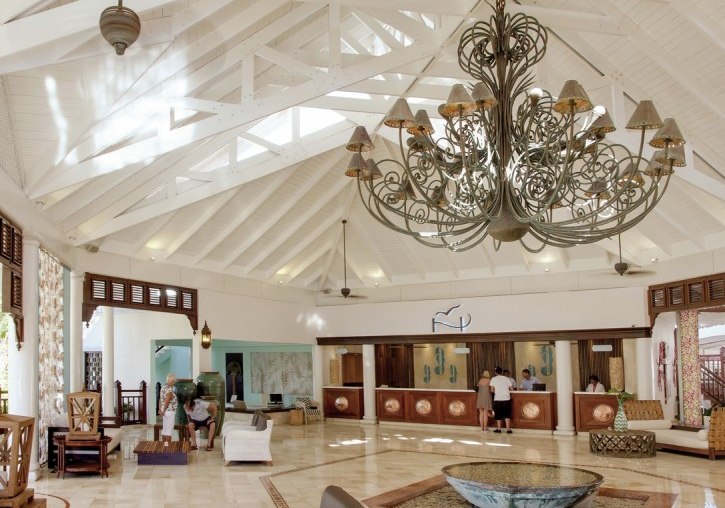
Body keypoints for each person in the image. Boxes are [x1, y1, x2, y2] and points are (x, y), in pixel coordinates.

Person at [489, 366, 512, 434]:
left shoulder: (493, 379)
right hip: (506, 399)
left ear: (495, 372)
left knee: (498, 414)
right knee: (507, 414)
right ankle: (508, 429)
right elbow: (511, 389)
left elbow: (492, 390)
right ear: (502, 372)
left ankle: (499, 429)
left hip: (497, 399)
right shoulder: (507, 378)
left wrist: (497, 390)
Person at [158, 373, 177, 445]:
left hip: (165, 411)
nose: (174, 383)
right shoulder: (169, 390)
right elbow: (167, 401)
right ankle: (168, 448)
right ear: (172, 381)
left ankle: (165, 446)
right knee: (168, 431)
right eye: (174, 382)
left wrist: (160, 410)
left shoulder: (163, 388)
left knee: (165, 430)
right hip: (169, 411)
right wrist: (163, 411)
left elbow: (160, 400)